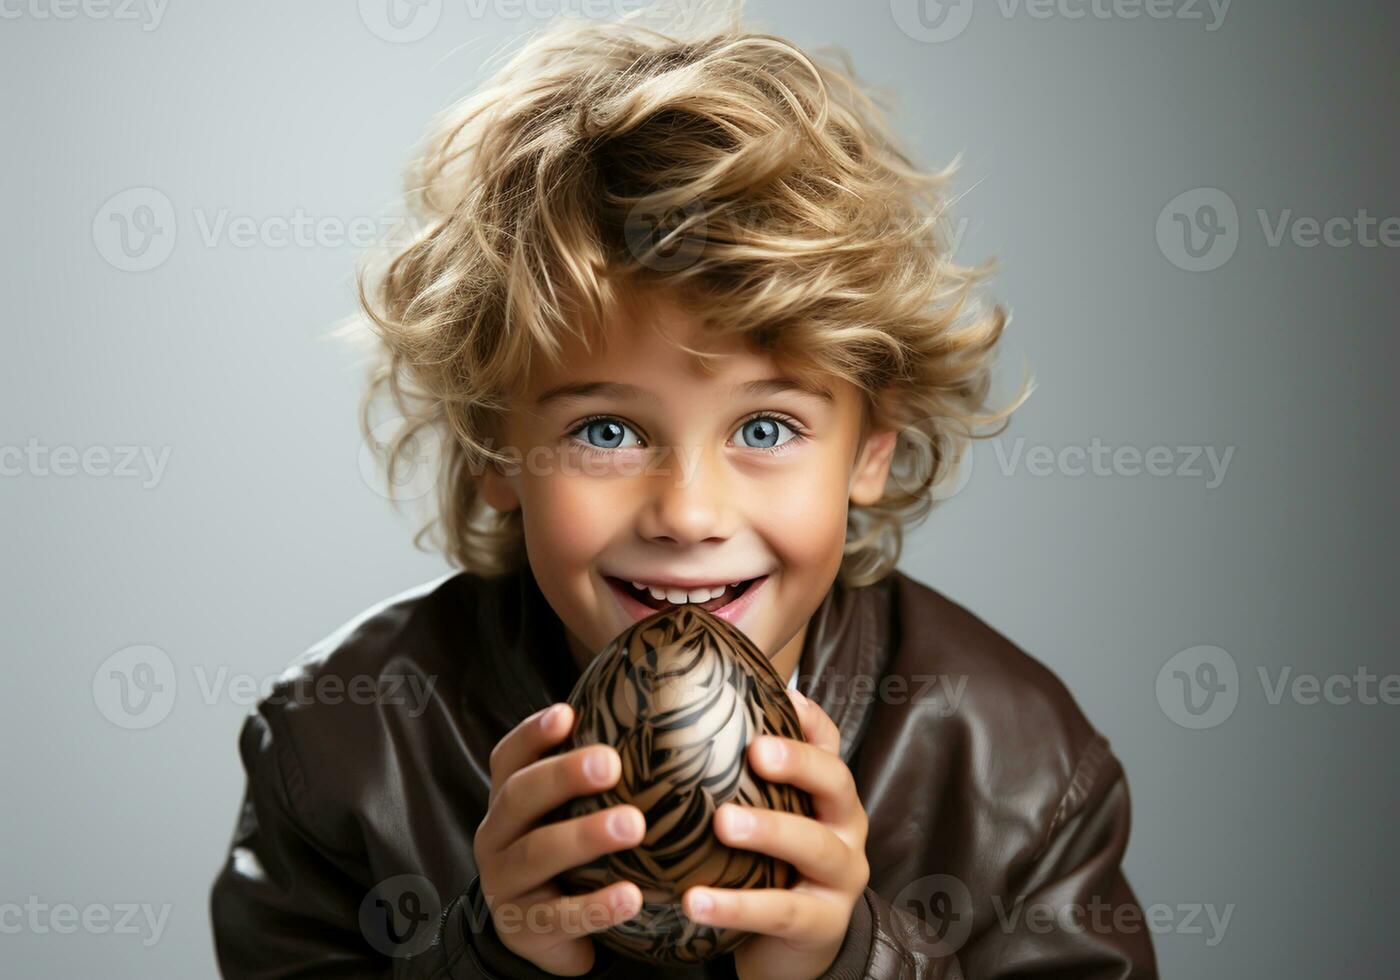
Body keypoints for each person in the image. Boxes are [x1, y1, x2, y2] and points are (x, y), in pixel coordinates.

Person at [210, 9, 1157, 978]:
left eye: (763, 428)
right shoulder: (339, 745)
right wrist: (489, 958)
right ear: (496, 446)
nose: (689, 514)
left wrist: (856, 961)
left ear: (871, 447)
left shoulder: (1017, 770)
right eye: (607, 432)